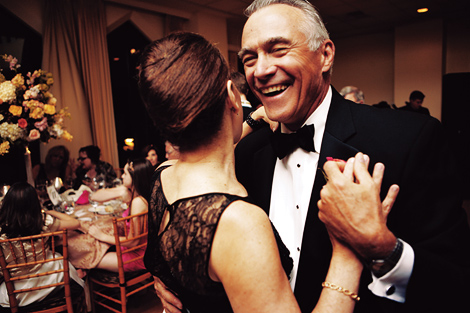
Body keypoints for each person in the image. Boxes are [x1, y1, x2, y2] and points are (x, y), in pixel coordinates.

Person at [233, 1, 470, 312]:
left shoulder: (408, 139)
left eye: (278, 49)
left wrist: (385, 250)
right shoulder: (249, 154)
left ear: (325, 55)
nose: (260, 71)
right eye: (249, 59)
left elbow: (457, 283)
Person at [138, 31, 399, 313]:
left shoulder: (162, 175)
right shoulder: (240, 224)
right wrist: (348, 253)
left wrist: (253, 118)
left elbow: (217, 145)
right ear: (232, 96)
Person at [0, 182, 84, 307]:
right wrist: (48, 211)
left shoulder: (2, 228)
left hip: (16, 290)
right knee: (61, 261)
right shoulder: (43, 221)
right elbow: (74, 223)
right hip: (47, 279)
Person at [84, 158, 153, 272]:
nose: (122, 176)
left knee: (88, 259)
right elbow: (95, 196)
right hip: (129, 250)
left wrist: (102, 236)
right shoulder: (134, 194)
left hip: (138, 256)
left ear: (135, 177)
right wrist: (121, 191)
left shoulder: (138, 202)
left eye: (125, 173)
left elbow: (133, 241)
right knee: (92, 250)